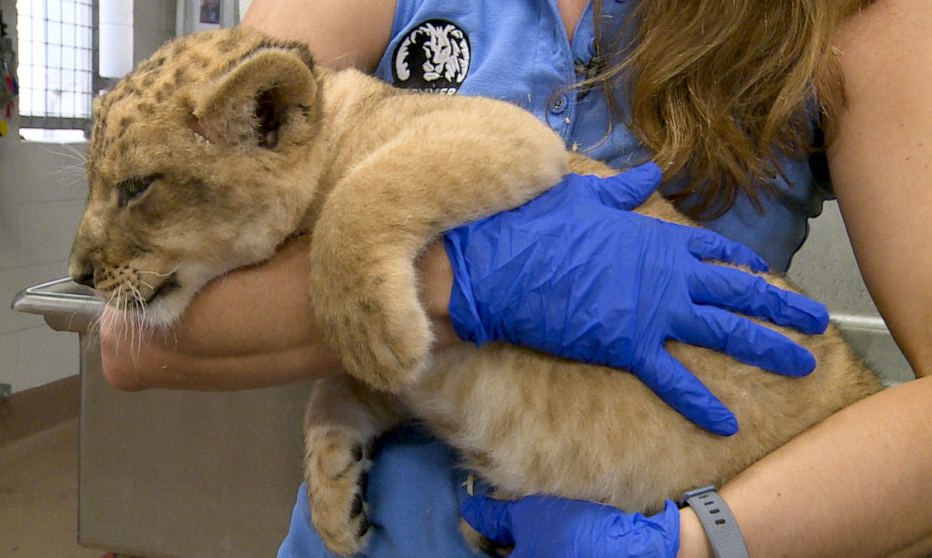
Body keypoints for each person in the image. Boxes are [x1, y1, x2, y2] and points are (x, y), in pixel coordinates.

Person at [98, 0, 932, 556]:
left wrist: (694, 543)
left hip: (677, 508)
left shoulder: (863, 19)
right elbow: (135, 341)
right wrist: (453, 282)